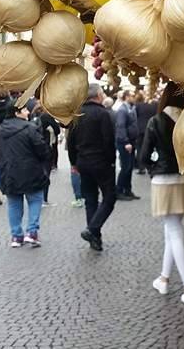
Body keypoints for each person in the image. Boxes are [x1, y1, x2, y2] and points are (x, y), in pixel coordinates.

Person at [139, 82, 184, 306]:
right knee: (172, 231)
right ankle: (164, 279)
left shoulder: (155, 122)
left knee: (174, 232)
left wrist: (154, 168)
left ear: (164, 98)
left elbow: (144, 157)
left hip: (163, 182)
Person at [0, 99, 50, 248]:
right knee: (35, 200)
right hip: (30, 170)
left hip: (9, 171)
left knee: (13, 204)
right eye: (24, 110)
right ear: (17, 112)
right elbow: (41, 148)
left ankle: (16, 236)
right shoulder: (30, 128)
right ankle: (32, 232)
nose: (28, 112)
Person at [68, 83, 117, 251]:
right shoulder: (103, 114)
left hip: (83, 162)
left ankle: (95, 239)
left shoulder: (78, 114)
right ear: (97, 95)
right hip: (101, 162)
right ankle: (93, 229)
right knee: (109, 197)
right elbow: (108, 140)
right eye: (102, 93)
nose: (103, 96)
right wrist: (111, 160)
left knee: (90, 200)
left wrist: (73, 162)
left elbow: (71, 141)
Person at [114, 91, 140, 201]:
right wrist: (126, 142)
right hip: (125, 143)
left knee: (129, 167)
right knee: (126, 167)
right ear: (127, 97)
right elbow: (120, 126)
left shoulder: (130, 108)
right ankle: (119, 191)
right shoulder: (122, 110)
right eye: (132, 96)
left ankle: (128, 190)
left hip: (131, 141)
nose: (134, 97)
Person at [33, 103, 60, 206]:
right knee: (45, 174)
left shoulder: (34, 116)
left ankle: (37, 197)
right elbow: (57, 130)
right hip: (46, 148)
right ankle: (44, 199)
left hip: (36, 148)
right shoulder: (47, 117)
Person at [133, 92, 157, 176]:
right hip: (151, 128)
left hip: (140, 129)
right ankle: (151, 167)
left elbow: (135, 117)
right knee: (152, 147)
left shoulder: (138, 105)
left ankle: (141, 168)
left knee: (140, 149)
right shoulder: (155, 104)